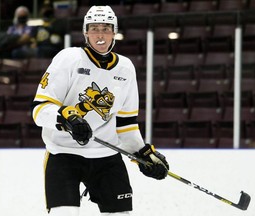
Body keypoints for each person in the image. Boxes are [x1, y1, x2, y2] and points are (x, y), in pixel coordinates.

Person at [31, 5, 169, 216]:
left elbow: (126, 124)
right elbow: (39, 110)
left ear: (114, 32)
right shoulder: (68, 59)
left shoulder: (126, 68)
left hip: (107, 157)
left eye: (106, 28)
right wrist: (67, 118)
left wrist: (142, 154)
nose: (100, 34)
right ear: (86, 32)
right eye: (94, 28)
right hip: (63, 154)